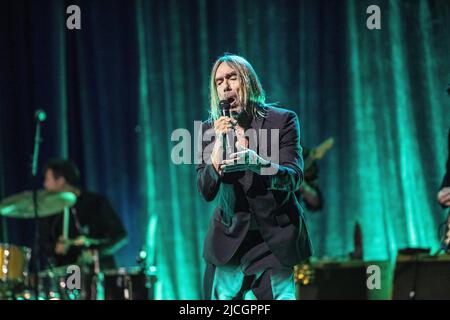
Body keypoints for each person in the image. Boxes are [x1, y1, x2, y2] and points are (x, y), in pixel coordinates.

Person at [196, 54, 313, 300]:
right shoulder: (209, 130)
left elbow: (293, 178)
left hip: (274, 240)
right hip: (229, 240)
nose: (225, 86)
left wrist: (258, 163)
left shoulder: (282, 121)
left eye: (232, 77)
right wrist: (218, 145)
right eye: (218, 82)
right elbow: (206, 190)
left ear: (248, 81)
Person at [40, 159, 127, 270]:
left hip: (99, 270)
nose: (45, 185)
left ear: (61, 181)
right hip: (69, 275)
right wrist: (55, 247)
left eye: (48, 179)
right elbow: (43, 244)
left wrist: (95, 252)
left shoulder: (96, 203)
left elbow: (120, 235)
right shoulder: (50, 210)